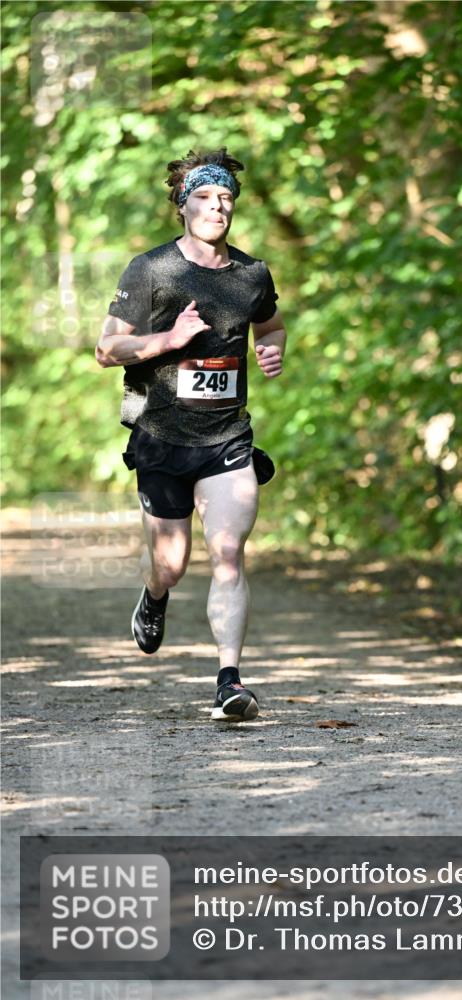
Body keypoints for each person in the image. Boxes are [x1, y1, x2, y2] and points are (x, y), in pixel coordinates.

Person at [95, 147, 286, 722]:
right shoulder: (151, 270)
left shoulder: (252, 274)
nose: (216, 206)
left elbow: (271, 324)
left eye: (225, 196)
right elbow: (107, 350)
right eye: (203, 196)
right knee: (172, 564)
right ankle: (155, 596)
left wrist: (270, 349)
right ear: (183, 206)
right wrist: (167, 342)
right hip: (160, 437)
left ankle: (229, 681)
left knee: (228, 552)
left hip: (227, 439)